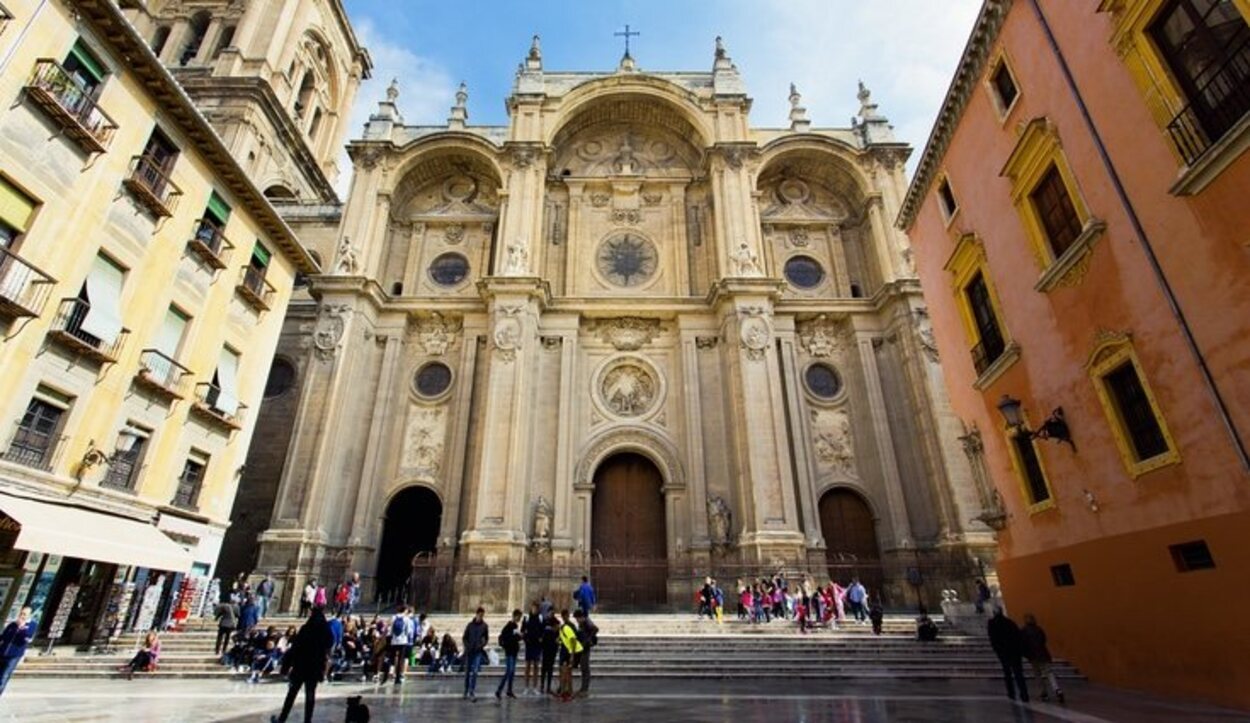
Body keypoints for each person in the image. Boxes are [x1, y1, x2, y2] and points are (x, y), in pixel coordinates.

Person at [272, 607, 333, 723]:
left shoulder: (306, 629)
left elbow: (295, 648)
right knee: (310, 694)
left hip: (301, 665)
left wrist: (286, 666)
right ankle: (307, 720)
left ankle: (282, 718)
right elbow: (329, 644)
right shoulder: (325, 630)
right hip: (315, 667)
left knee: (292, 693)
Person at [987, 607, 1029, 703]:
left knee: (1007, 673)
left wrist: (997, 651)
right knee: (1019, 674)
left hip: (1003, 652)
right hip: (1014, 652)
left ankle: (1011, 693)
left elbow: (993, 639)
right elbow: (1018, 637)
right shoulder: (1010, 622)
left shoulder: (992, 623)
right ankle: (1024, 694)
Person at [1021, 614, 1064, 703]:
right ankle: (1057, 689)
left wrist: (1026, 654)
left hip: (1033, 656)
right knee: (1049, 673)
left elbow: (1023, 644)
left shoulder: (1024, 631)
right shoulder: (1039, 629)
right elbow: (1044, 640)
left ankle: (1044, 693)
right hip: (1043, 654)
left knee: (1038, 675)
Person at [0, 607, 36, 695]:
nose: (22, 616)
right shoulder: (13, 624)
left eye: (25, 614)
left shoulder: (32, 625)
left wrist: (21, 627)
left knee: (5, 675)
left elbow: (26, 638)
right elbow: (3, 636)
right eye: (21, 613)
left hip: (14, 654)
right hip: (2, 652)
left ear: (29, 615)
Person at [462, 606, 489, 701]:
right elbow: (464, 637)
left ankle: (471, 690)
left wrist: (482, 645)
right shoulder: (470, 625)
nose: (481, 617)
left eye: (482, 616)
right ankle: (466, 690)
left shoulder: (484, 626)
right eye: (480, 615)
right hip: (469, 651)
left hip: (478, 651)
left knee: (475, 671)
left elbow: (486, 638)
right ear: (476, 614)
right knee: (467, 672)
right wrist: (467, 645)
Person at [556, 608, 582, 701]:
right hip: (565, 650)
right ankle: (565, 690)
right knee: (565, 672)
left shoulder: (568, 627)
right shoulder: (562, 628)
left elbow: (573, 640)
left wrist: (572, 655)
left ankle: (567, 691)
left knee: (567, 672)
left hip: (570, 651)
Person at [495, 608, 522, 699]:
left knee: (512, 672)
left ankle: (509, 690)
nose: (519, 619)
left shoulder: (515, 627)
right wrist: (515, 637)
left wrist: (519, 637)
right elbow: (506, 638)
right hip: (509, 652)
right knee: (509, 671)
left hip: (514, 651)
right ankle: (499, 690)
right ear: (515, 616)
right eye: (518, 617)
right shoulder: (508, 626)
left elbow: (516, 638)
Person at [573, 608, 598, 698]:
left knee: (585, 668)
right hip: (583, 647)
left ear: (581, 617)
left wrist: (588, 639)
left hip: (586, 648)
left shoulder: (587, 622)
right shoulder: (583, 623)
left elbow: (595, 629)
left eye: (577, 619)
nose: (577, 621)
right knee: (583, 668)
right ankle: (583, 688)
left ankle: (585, 689)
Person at [522, 602, 544, 696]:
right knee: (527, 666)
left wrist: (541, 638)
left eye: (535, 608)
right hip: (529, 644)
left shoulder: (540, 618)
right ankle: (526, 687)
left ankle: (535, 687)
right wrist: (525, 638)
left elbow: (543, 630)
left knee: (536, 666)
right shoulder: (526, 618)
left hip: (537, 645)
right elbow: (522, 629)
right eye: (533, 608)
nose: (534, 609)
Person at [387, 606, 413, 684]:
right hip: (403, 641)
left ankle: (392, 673)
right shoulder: (406, 619)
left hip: (394, 641)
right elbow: (408, 631)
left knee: (394, 657)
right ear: (405, 610)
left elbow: (390, 629)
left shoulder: (393, 617)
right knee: (401, 659)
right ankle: (398, 677)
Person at [540, 615, 559, 695]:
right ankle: (546, 686)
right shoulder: (551, 632)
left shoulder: (547, 632)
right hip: (549, 653)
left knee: (545, 670)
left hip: (546, 653)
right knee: (548, 670)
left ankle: (543, 686)